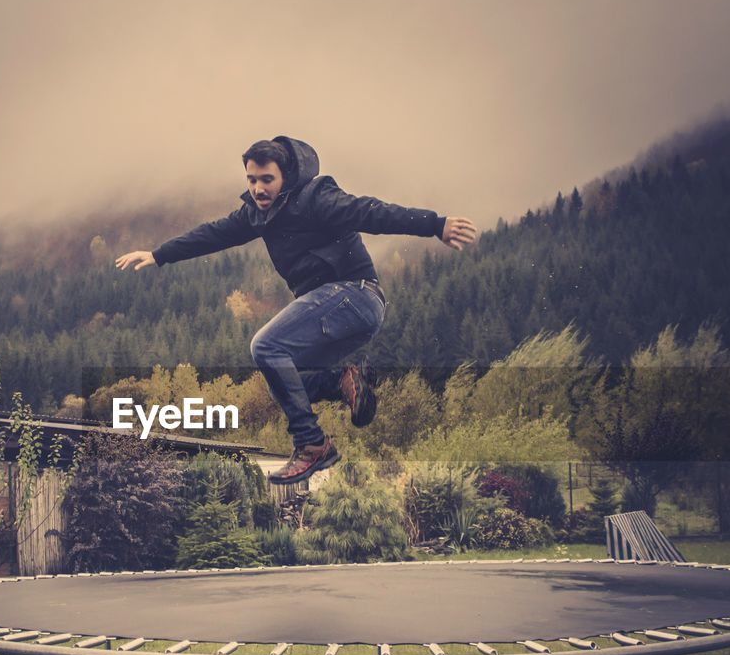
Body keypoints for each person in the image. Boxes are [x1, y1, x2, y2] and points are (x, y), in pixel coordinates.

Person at [115, 136, 476, 484]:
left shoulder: (317, 197)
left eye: (267, 179)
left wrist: (435, 224)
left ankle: (312, 445)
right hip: (336, 314)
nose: (258, 188)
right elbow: (213, 234)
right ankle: (343, 382)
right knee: (283, 382)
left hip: (355, 295)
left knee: (266, 346)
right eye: (252, 180)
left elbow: (371, 212)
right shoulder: (256, 215)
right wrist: (159, 254)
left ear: (285, 176)